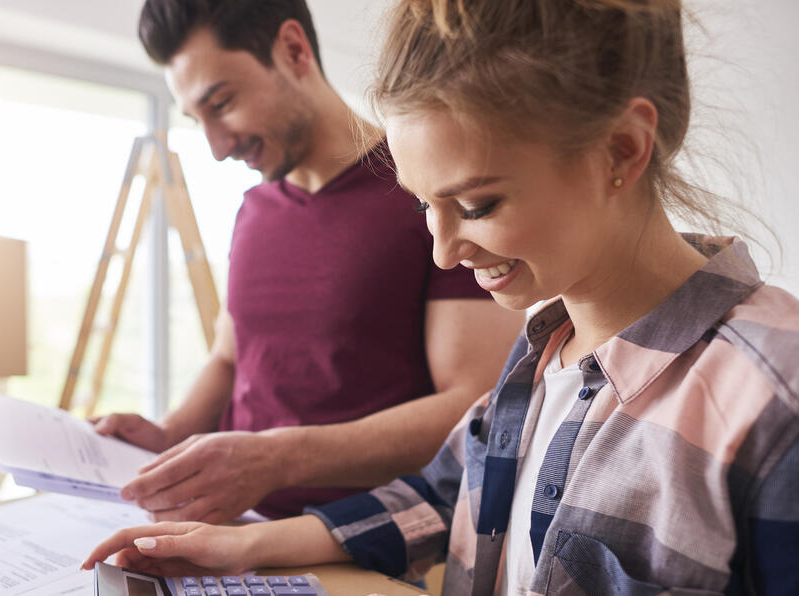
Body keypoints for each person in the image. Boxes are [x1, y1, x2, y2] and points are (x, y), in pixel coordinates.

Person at [82, 0, 799, 594]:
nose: (443, 251)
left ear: (621, 150)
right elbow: (442, 496)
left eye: (478, 204)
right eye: (425, 206)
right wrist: (241, 548)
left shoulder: (776, 403)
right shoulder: (540, 352)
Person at [91, 0, 524, 524]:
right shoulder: (253, 209)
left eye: (222, 103)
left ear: (293, 49)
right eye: (197, 119)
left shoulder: (427, 194)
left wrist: (277, 460)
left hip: (364, 539)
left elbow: (473, 406)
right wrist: (168, 433)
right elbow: (230, 359)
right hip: (229, 529)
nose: (217, 147)